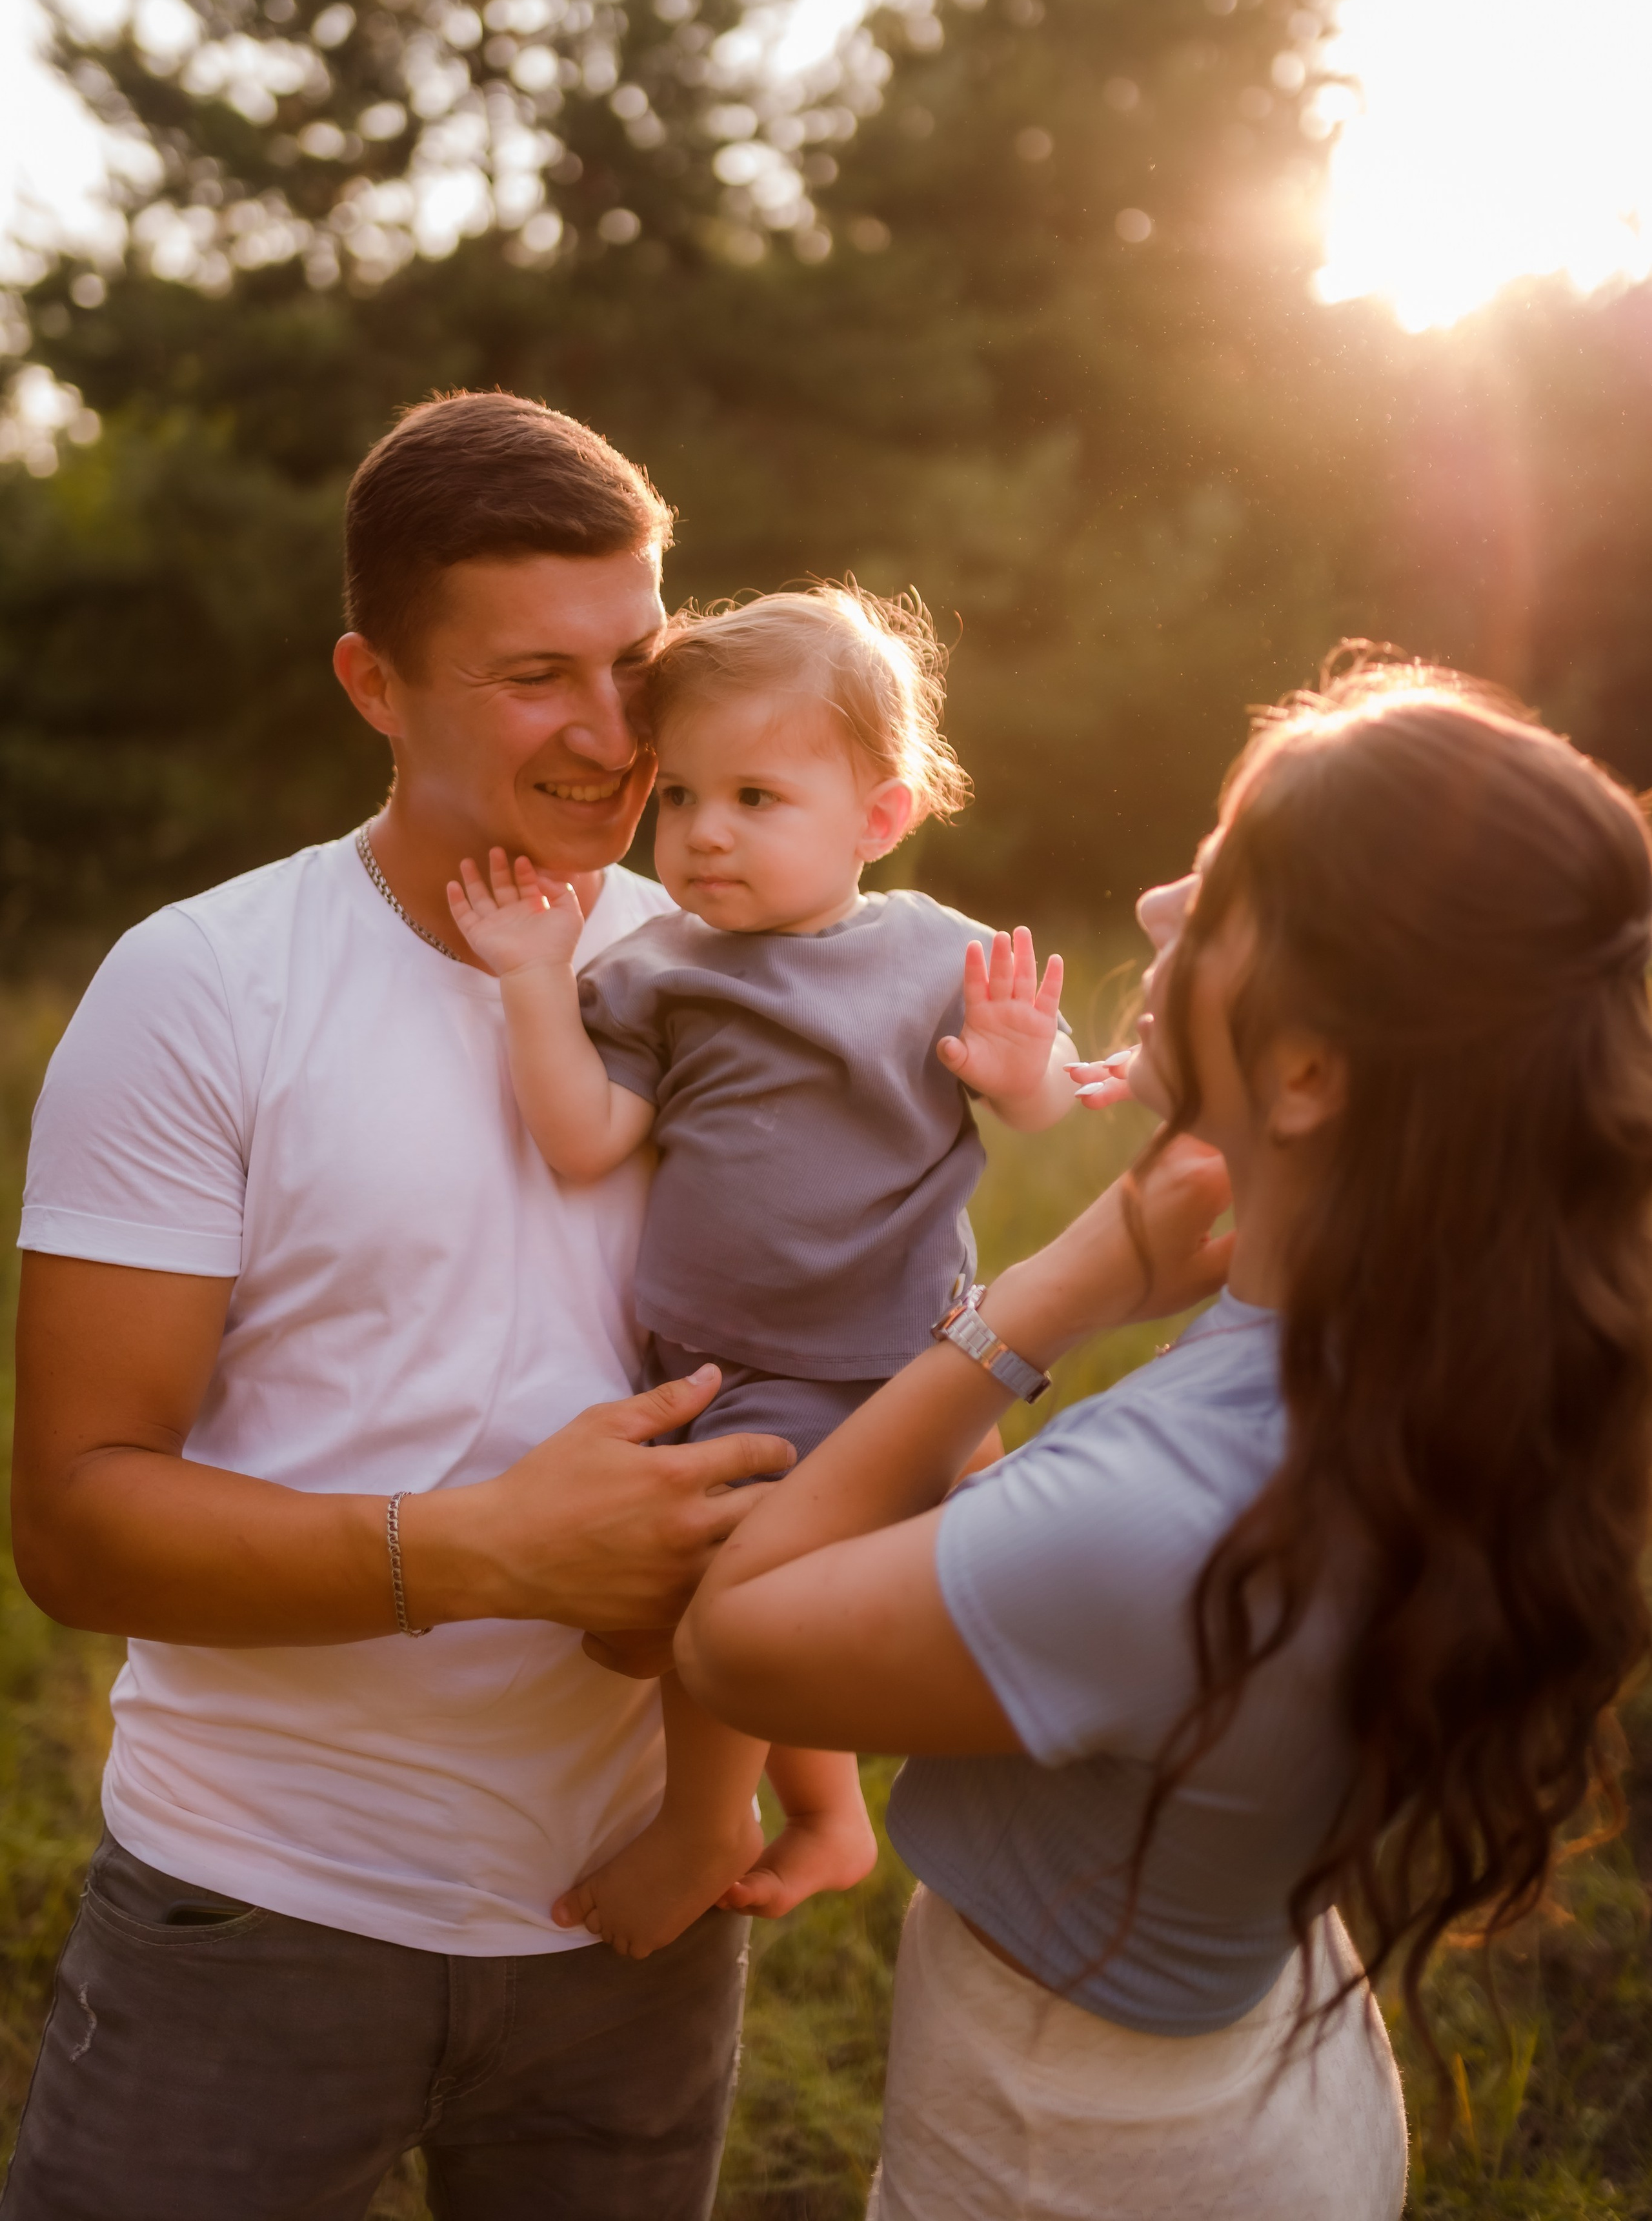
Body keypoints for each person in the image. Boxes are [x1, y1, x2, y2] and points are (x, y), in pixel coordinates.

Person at [677, 661, 1652, 2221]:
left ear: (1312, 1072)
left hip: (1069, 2148)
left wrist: (1051, 1298)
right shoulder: (1433, 1348)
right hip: (1258, 2076)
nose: (1147, 908)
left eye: (1216, 893)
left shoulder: (1175, 1516)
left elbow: (732, 1640)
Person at [4, 392, 802, 2221]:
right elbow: (75, 1523)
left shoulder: (743, 968)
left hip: (634, 1925)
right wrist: (494, 1552)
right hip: (257, 1915)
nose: (614, 737)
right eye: (535, 677)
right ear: (374, 684)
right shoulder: (202, 989)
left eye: (639, 659)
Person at [447, 588, 1074, 1958]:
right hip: (735, 1372)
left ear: (877, 820)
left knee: (764, 1607)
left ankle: (701, 1824)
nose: (704, 832)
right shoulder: (657, 971)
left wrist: (1022, 1070)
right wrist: (534, 982)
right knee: (743, 1600)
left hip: (908, 1361)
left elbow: (1041, 1108)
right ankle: (815, 1815)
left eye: (754, 796)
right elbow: (582, 1138)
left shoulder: (929, 955)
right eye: (678, 798)